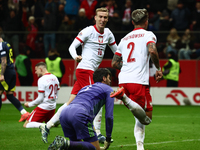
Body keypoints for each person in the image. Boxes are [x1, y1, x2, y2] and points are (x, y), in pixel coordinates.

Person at [39, 7, 117, 144]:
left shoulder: (108, 33)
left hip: (90, 71)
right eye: (100, 17)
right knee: (97, 97)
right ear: (95, 17)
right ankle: (97, 132)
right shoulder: (88, 31)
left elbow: (116, 51)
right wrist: (76, 57)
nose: (102, 20)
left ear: (108, 19)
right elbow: (72, 47)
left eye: (105, 17)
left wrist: (124, 59)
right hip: (85, 69)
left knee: (70, 103)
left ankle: (47, 125)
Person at [111, 9, 163, 150]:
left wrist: (127, 66)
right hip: (138, 82)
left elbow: (114, 63)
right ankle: (124, 98)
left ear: (133, 22)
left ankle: (140, 147)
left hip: (123, 81)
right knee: (146, 119)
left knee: (138, 116)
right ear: (146, 22)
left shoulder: (124, 39)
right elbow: (152, 51)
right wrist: (158, 69)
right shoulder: (148, 34)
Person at [48, 68, 114, 150]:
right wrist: (108, 137)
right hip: (80, 114)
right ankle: (65, 143)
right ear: (104, 78)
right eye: (109, 78)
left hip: (64, 114)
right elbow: (109, 116)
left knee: (77, 147)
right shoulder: (108, 89)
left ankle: (66, 144)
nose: (110, 81)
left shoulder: (84, 88)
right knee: (95, 149)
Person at [0, 37, 30, 122]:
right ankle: (24, 113)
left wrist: (2, 74)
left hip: (5, 72)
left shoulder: (1, 45)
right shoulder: (7, 44)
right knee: (9, 95)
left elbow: (3, 61)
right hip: (11, 70)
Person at [23, 62, 60, 128]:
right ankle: (56, 120)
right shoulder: (55, 78)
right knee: (51, 124)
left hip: (43, 108)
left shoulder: (42, 79)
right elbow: (57, 94)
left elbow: (40, 99)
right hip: (52, 108)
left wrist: (29, 104)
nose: (35, 72)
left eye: (36, 70)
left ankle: (44, 126)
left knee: (26, 125)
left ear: (40, 69)